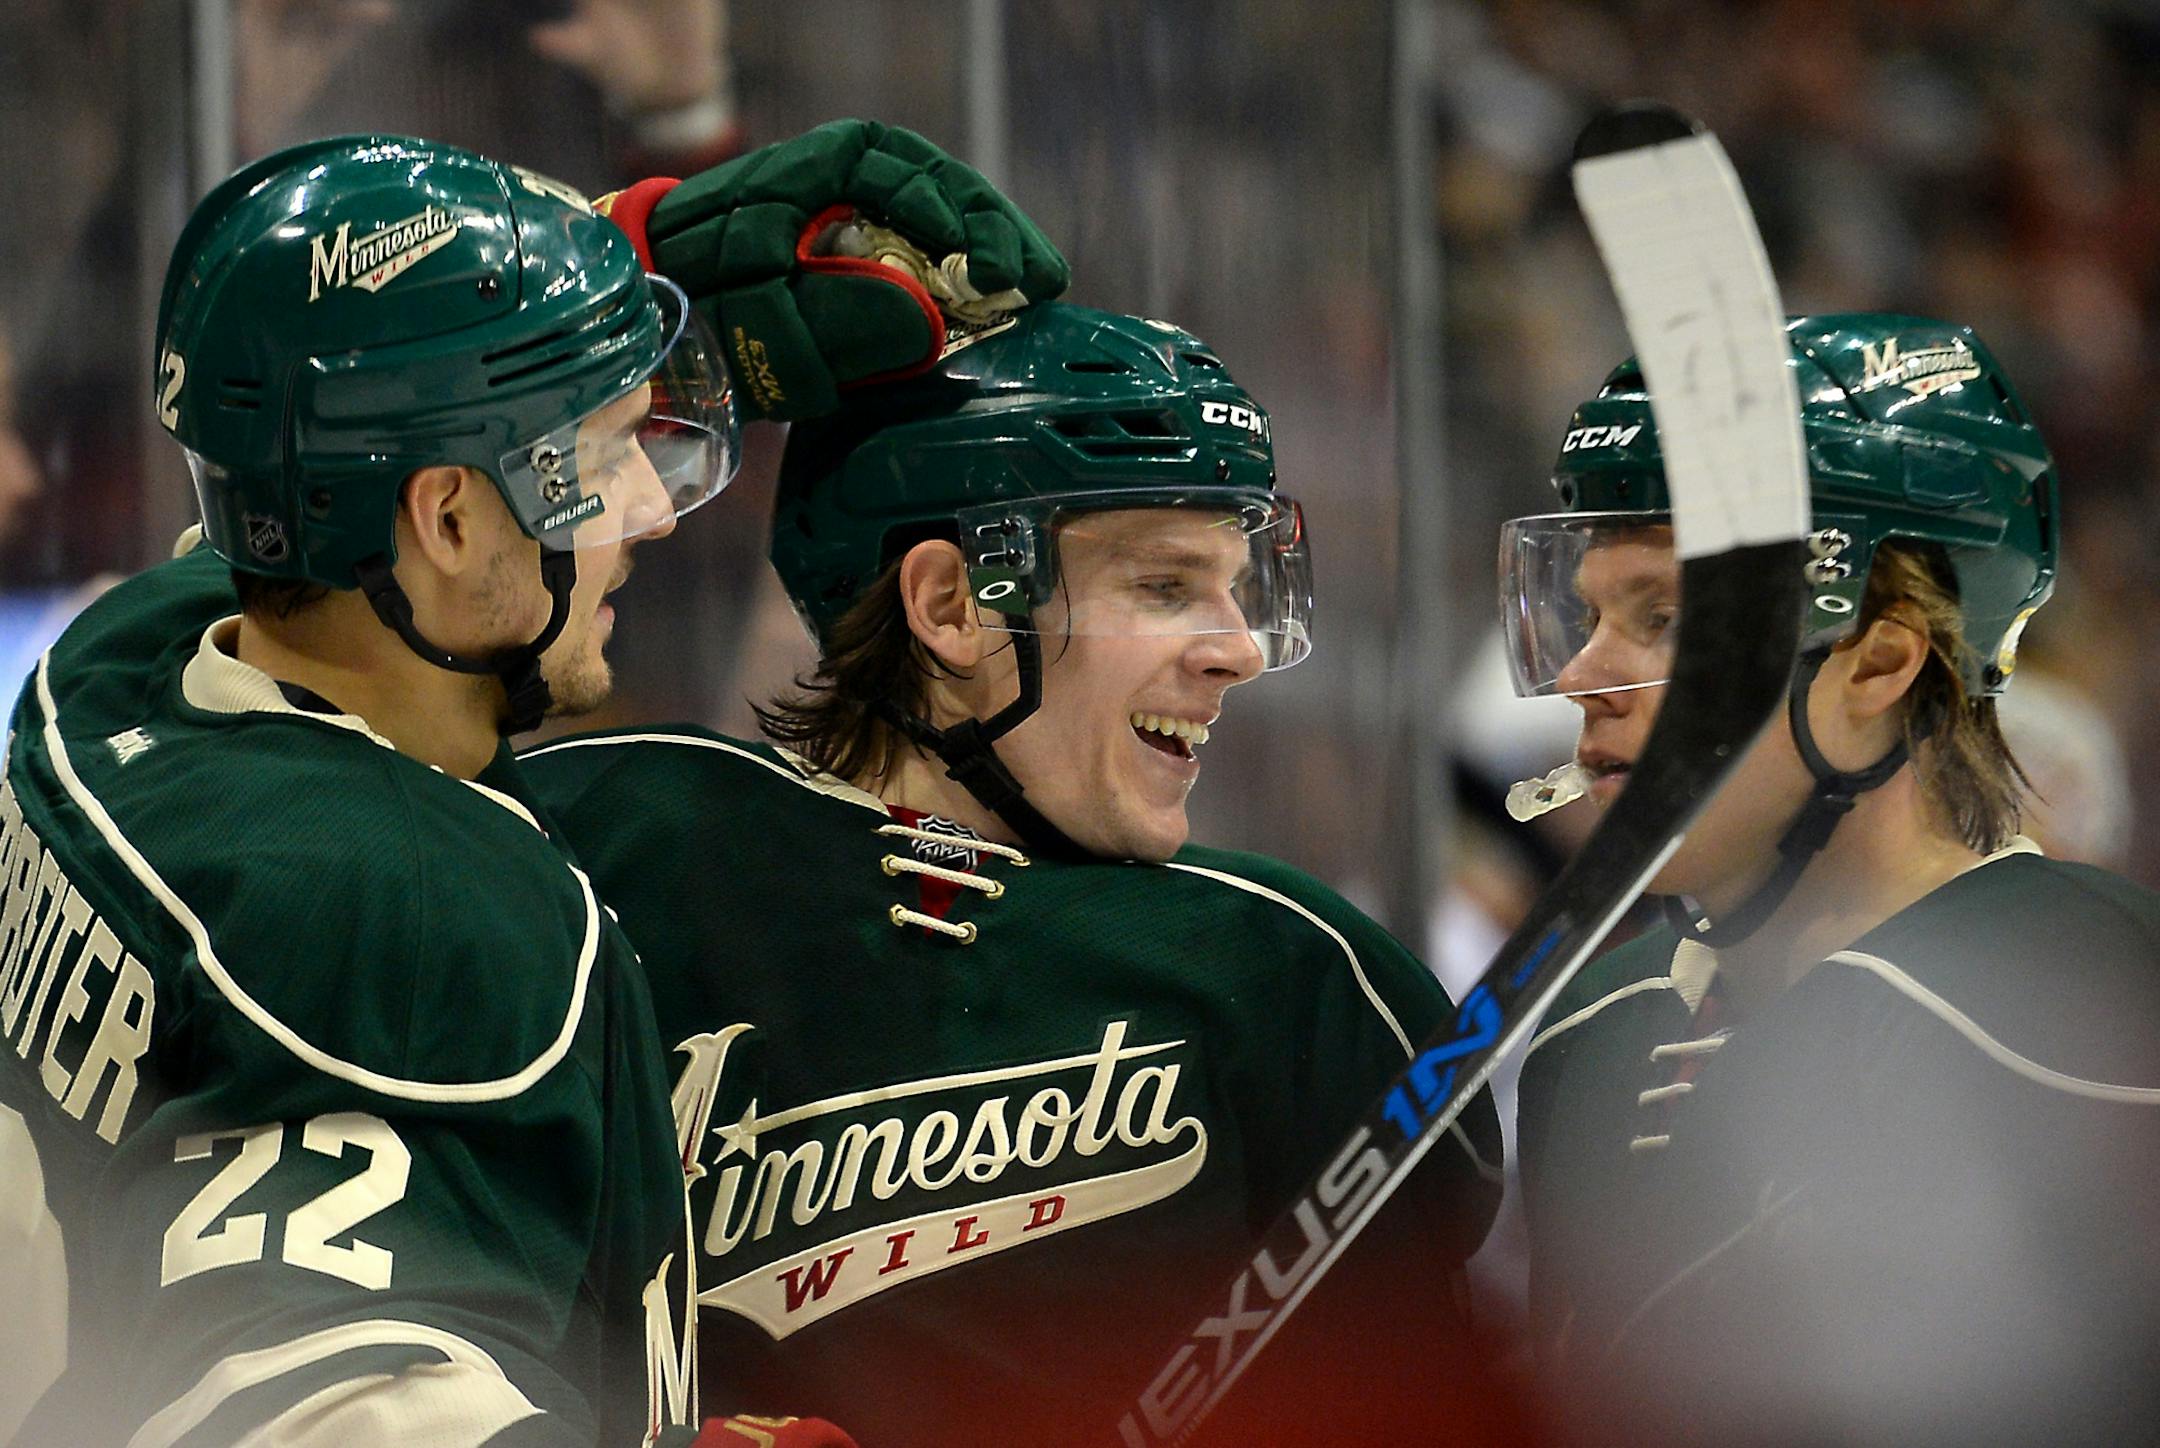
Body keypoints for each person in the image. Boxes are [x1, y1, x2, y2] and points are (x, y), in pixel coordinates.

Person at [0, 120, 1063, 1447]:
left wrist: (595, 264)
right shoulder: (407, 929)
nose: (650, 511)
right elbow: (322, 1406)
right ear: (446, 519)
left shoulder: (115, 671)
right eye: (605, 453)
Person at [519, 301, 1509, 1446]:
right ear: (950, 605)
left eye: (1240, 586)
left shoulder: (1298, 980)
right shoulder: (614, 841)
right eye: (1163, 584)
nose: (1238, 648)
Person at [1505, 314, 2160, 1448]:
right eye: (1590, 611)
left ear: (1881, 659)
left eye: (1664, 617)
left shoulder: (2120, 1006)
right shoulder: (1593, 1026)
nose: (1582, 674)